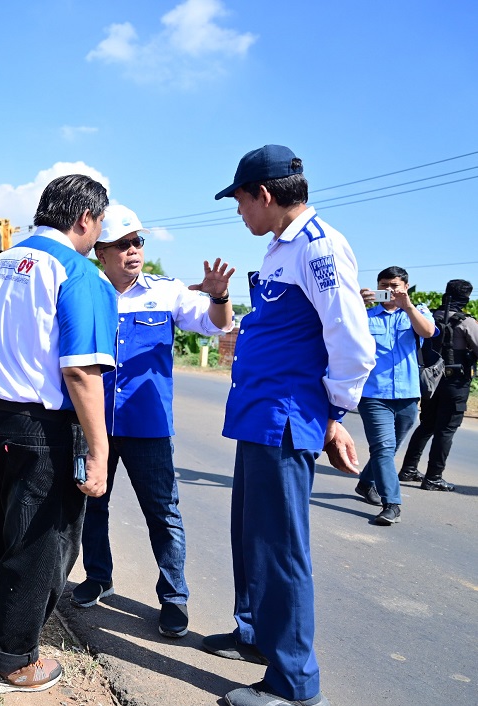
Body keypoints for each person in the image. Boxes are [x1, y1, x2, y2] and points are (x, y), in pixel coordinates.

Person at [203, 145, 375, 706]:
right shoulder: (283, 247)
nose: (239, 212)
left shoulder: (319, 247)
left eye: (240, 201)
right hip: (259, 415)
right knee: (251, 539)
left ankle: (294, 683)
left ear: (265, 195)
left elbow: (351, 341)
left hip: (285, 418)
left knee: (280, 550)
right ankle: (256, 634)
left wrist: (334, 415)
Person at [0, 174, 117, 695]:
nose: (100, 232)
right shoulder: (78, 274)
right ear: (85, 218)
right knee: (39, 544)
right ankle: (11, 661)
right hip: (36, 428)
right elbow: (81, 371)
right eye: (101, 222)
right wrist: (99, 449)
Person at [70, 204, 235, 641]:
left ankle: (174, 597)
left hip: (149, 426)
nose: (133, 250)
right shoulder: (85, 290)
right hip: (95, 425)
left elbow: (216, 326)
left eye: (138, 242)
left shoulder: (167, 292)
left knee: (163, 513)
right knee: (92, 504)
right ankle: (98, 577)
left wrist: (219, 297)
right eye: (122, 244)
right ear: (101, 252)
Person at [354, 266, 436, 525]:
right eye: (383, 285)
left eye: (394, 285)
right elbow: (341, 332)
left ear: (406, 287)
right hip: (373, 394)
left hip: (407, 394)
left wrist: (407, 306)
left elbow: (428, 332)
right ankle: (392, 504)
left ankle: (366, 482)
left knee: (388, 448)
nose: (388, 290)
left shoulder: (417, 312)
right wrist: (355, 303)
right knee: (383, 447)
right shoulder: (365, 316)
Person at [399, 279, 478, 491]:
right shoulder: (466, 322)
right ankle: (433, 477)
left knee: (427, 425)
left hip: (429, 381)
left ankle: (408, 469)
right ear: (465, 298)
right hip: (455, 382)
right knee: (446, 429)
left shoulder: (427, 316)